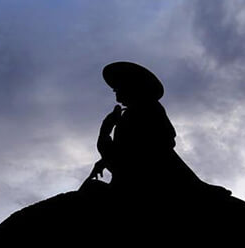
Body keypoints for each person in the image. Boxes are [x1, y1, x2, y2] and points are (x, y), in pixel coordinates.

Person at [87, 61, 229, 199]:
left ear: (131, 87)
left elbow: (132, 157)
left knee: (91, 190)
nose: (117, 98)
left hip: (144, 183)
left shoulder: (143, 110)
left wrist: (105, 131)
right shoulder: (137, 112)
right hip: (144, 177)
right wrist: (104, 160)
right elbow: (125, 151)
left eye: (118, 90)